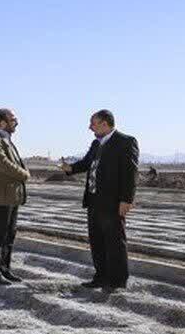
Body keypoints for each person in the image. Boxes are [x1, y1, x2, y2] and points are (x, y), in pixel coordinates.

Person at [59, 110, 139, 290]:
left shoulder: (125, 142)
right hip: (94, 200)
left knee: (115, 241)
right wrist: (69, 168)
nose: (90, 127)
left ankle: (117, 281)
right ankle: (100, 277)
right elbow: (86, 163)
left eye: (93, 124)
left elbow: (130, 174)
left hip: (112, 202)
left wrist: (126, 200)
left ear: (104, 124)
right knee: (97, 240)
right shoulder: (96, 143)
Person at [0, 108, 30, 284]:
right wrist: (24, 174)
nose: (16, 123)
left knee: (9, 234)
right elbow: (4, 164)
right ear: (2, 122)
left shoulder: (5, 139)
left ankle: (4, 269)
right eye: (13, 120)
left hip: (10, 196)